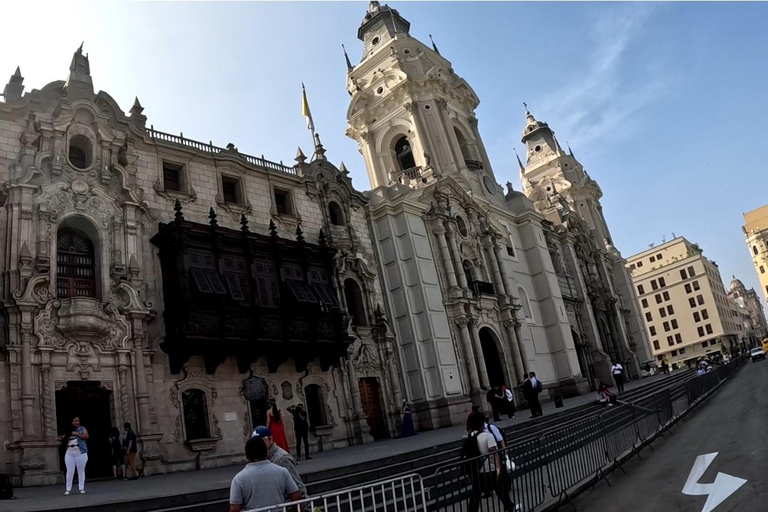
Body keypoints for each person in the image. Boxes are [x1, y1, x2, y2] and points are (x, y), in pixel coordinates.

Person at [462, 413, 518, 512]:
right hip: (490, 468)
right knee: (500, 490)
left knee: (475, 495)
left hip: (478, 470)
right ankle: (509, 506)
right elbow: (494, 453)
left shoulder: (470, 437)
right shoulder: (488, 436)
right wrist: (498, 468)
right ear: (482, 424)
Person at [229, 437, 303, 512]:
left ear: (247, 455)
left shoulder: (239, 479)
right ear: (266, 452)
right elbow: (296, 496)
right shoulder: (282, 471)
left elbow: (234, 508)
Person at [251, 426, 307, 498]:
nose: (256, 445)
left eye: (260, 441)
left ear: (270, 439)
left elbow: (298, 487)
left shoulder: (282, 458)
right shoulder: (261, 457)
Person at [58, 416, 89, 495]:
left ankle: (81, 488)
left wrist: (77, 434)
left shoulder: (82, 429)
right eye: (75, 421)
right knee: (70, 471)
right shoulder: (68, 430)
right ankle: (68, 489)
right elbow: (63, 438)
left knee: (81, 471)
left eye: (78, 421)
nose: (77, 422)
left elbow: (86, 436)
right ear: (72, 422)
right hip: (70, 451)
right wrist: (60, 438)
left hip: (80, 451)